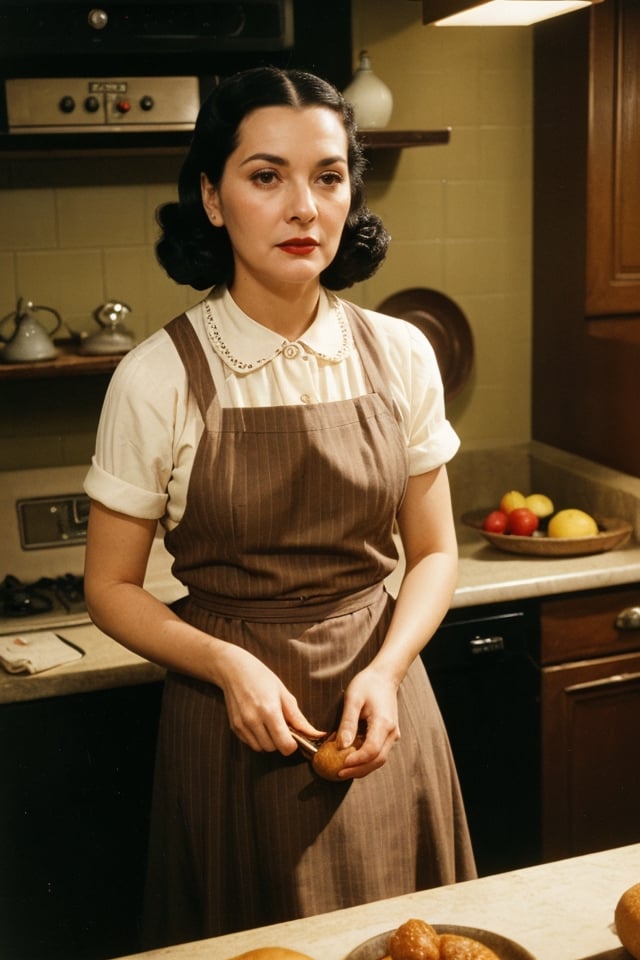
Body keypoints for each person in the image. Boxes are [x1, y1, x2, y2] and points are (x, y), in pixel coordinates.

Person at [83, 65, 476, 949]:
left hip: (384, 709)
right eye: (267, 176)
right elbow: (108, 587)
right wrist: (227, 667)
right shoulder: (155, 377)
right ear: (213, 200)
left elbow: (437, 553)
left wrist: (387, 669)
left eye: (328, 176)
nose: (304, 206)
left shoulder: (401, 353)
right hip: (230, 728)